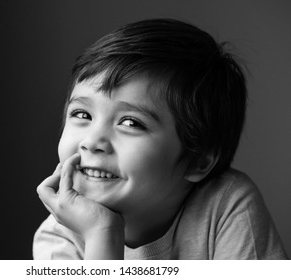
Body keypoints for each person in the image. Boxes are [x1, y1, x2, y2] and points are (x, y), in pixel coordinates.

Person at [33, 18, 288, 259]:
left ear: (197, 160)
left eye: (131, 122)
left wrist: (103, 234)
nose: (92, 141)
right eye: (82, 114)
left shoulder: (226, 205)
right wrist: (101, 233)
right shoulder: (57, 240)